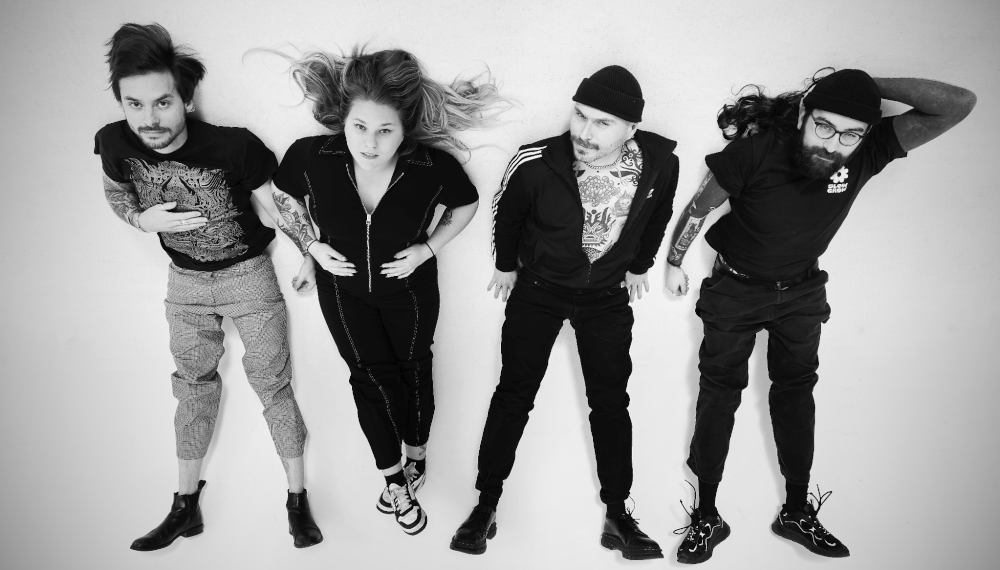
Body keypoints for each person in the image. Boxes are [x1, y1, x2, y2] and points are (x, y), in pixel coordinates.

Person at [664, 69, 976, 563]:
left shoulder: (867, 152)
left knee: (796, 392)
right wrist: (674, 261)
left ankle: (795, 512)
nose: (834, 143)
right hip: (736, 290)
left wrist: (867, 84)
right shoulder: (755, 152)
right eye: (824, 125)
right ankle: (706, 514)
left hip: (802, 292)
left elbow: (959, 102)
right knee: (719, 392)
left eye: (851, 133)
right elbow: (700, 207)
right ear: (804, 114)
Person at [95, 24, 324, 550]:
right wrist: (140, 219)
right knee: (192, 386)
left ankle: (297, 501)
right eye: (134, 104)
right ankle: (184, 507)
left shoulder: (233, 145)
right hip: (185, 284)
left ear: (186, 99)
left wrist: (309, 251)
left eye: (162, 102)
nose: (149, 119)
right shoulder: (113, 141)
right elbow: (115, 191)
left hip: (248, 276)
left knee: (273, 385)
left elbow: (276, 204)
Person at [264, 46, 506, 536]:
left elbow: (466, 204)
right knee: (368, 378)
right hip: (344, 291)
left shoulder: (431, 167)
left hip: (409, 290)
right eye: (359, 127)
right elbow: (281, 195)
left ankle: (416, 457)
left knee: (413, 371)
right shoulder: (313, 156)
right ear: (343, 120)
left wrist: (428, 250)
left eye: (385, 131)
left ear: (404, 128)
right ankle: (394, 480)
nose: (369, 143)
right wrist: (310, 246)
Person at [450, 65, 680, 560]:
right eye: (580, 115)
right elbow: (506, 212)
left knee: (611, 403)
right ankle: (485, 505)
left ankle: (618, 514)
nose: (584, 131)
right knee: (514, 393)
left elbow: (658, 214)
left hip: (606, 297)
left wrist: (640, 265)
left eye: (602, 123)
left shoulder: (661, 164)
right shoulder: (536, 160)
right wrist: (505, 265)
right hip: (539, 289)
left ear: (630, 129)